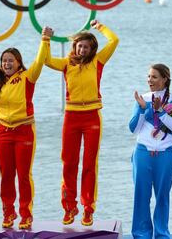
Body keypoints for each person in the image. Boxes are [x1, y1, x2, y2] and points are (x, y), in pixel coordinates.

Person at [0, 25, 53, 230]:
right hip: (3, 132)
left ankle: (26, 214)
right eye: (4, 60)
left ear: (18, 63)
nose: (7, 63)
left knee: (24, 175)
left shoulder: (28, 76)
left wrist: (44, 39)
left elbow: (40, 60)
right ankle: (9, 213)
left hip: (24, 131)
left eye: (11, 60)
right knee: (6, 175)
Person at [44, 20, 118, 226]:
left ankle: (88, 208)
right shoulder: (66, 63)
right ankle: (69, 208)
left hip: (92, 116)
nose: (82, 49)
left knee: (89, 164)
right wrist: (45, 39)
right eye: (80, 46)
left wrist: (100, 27)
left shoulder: (98, 61)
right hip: (71, 117)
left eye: (86, 46)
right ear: (75, 46)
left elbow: (114, 40)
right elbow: (46, 60)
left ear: (92, 48)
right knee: (69, 163)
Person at [129, 64, 172, 238]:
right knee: (141, 198)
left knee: (162, 198)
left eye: (154, 77)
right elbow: (133, 128)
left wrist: (157, 109)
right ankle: (141, 234)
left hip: (165, 155)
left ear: (164, 79)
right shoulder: (143, 98)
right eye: (148, 76)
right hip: (143, 154)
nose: (149, 80)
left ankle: (161, 234)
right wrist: (143, 109)